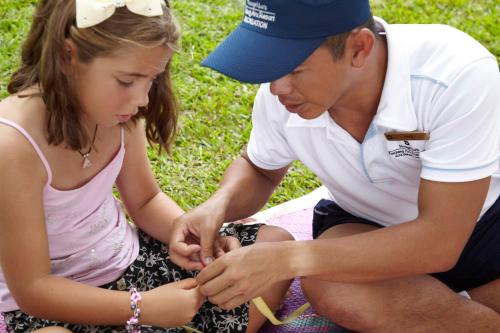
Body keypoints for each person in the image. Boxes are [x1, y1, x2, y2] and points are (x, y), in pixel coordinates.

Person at [169, 0, 500, 332]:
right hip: (364, 222)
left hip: (481, 224)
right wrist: (218, 204)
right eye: (271, 64)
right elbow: (260, 169)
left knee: (325, 270)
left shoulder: (456, 74)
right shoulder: (281, 95)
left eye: (295, 68)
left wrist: (287, 259)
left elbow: (439, 241)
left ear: (359, 47)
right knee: (328, 285)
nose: (276, 87)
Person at [0, 0, 293, 332]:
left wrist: (195, 241)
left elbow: (144, 201)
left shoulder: (118, 114)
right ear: (69, 56)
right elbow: (33, 288)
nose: (142, 99)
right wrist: (143, 308)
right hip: (53, 305)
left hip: (131, 267)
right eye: (127, 81)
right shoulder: (12, 145)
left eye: (151, 80)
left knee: (274, 249)